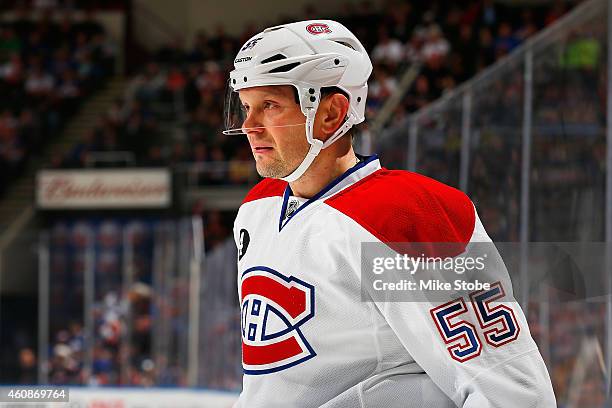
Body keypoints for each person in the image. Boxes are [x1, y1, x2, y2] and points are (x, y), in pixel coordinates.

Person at [227, 20, 556, 407]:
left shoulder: (399, 217)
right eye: (246, 107)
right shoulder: (258, 207)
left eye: (269, 106)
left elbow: (510, 393)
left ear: (332, 113)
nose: (250, 127)